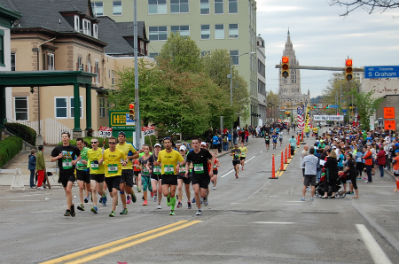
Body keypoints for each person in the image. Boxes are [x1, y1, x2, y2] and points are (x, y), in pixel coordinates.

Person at [50, 131, 81, 217]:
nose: (64, 138)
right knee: (67, 192)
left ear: (69, 138)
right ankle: (72, 206)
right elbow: (51, 159)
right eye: (63, 136)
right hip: (62, 173)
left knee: (68, 190)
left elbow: (80, 156)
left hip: (71, 172)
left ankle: (68, 209)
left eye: (66, 136)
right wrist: (58, 157)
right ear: (62, 138)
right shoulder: (58, 149)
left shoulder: (73, 148)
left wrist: (75, 161)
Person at [156, 137, 184, 215]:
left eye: (168, 142)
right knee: (165, 193)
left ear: (171, 143)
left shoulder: (176, 153)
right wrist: (157, 163)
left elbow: (182, 161)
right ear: (164, 144)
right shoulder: (161, 153)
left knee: (172, 193)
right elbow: (158, 161)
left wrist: (178, 165)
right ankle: (168, 198)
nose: (167, 144)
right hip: (164, 175)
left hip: (173, 175)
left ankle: (172, 210)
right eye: (165, 143)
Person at [186, 138, 214, 216]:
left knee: (202, 194)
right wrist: (186, 170)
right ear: (192, 145)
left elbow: (212, 158)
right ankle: (199, 209)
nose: (195, 145)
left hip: (204, 175)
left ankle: (205, 197)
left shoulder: (204, 152)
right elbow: (187, 162)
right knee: (196, 191)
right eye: (193, 143)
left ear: (199, 144)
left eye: (196, 143)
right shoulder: (190, 153)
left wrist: (211, 170)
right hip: (195, 175)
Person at [101, 136, 127, 217]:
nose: (111, 144)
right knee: (112, 194)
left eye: (113, 143)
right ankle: (115, 199)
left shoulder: (120, 152)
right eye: (110, 143)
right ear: (108, 144)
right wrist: (100, 161)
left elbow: (125, 159)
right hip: (108, 175)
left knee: (115, 191)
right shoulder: (105, 152)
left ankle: (113, 211)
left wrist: (124, 162)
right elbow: (100, 161)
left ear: (115, 144)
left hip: (117, 174)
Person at [116, 131, 138, 215]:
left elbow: (137, 154)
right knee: (121, 188)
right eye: (119, 136)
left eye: (122, 136)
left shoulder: (129, 145)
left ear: (124, 138)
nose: (120, 138)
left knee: (128, 189)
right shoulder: (116, 146)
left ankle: (132, 193)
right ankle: (124, 208)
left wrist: (130, 157)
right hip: (120, 169)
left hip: (128, 168)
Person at [87, 138, 107, 214]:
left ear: (98, 143)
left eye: (95, 142)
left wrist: (102, 161)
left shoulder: (102, 151)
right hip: (93, 173)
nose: (93, 144)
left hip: (101, 173)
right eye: (92, 142)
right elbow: (89, 160)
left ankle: (104, 195)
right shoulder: (89, 151)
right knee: (93, 189)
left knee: (100, 191)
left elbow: (106, 162)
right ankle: (95, 206)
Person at [76, 138, 91, 211]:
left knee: (88, 188)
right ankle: (82, 204)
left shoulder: (88, 150)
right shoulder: (75, 151)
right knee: (81, 187)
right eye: (78, 144)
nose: (79, 146)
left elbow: (92, 160)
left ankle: (89, 195)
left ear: (83, 144)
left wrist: (87, 162)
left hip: (87, 170)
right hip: (79, 170)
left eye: (80, 144)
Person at [150, 143, 163, 209]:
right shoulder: (152, 156)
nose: (157, 149)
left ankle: (159, 203)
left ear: (160, 148)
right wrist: (149, 168)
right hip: (153, 175)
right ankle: (155, 194)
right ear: (154, 148)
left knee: (160, 190)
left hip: (161, 175)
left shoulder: (163, 156)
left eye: (158, 147)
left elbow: (164, 165)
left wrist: (159, 164)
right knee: (155, 189)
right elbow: (147, 164)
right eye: (156, 147)